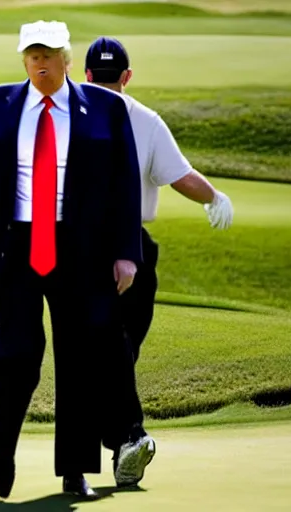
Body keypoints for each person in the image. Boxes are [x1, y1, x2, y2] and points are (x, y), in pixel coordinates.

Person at [0, 20, 150, 500]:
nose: (40, 61)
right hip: (13, 247)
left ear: (67, 58)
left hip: (82, 252)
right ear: (23, 58)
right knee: (15, 354)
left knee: (78, 361)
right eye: (32, 53)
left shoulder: (105, 108)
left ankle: (74, 472)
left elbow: (125, 186)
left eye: (49, 53)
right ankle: (6, 445)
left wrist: (126, 254)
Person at [83, 36, 234, 486]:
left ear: (87, 74)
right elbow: (181, 177)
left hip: (107, 246)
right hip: (123, 245)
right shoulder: (145, 119)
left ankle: (118, 439)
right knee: (116, 345)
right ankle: (129, 436)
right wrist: (215, 197)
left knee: (118, 350)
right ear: (127, 76)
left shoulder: (74, 111)